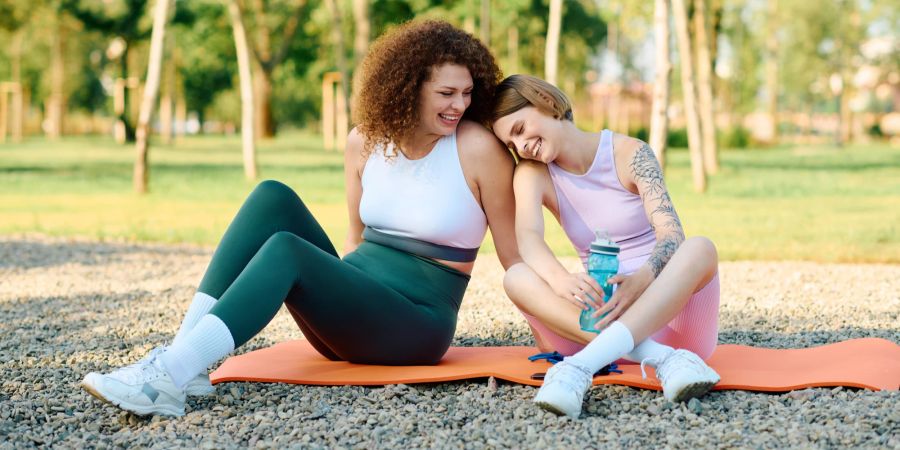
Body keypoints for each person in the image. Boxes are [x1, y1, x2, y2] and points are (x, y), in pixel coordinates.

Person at [81, 20, 519, 417]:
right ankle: (184, 362)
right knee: (272, 197)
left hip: (415, 326)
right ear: (409, 87)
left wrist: (556, 331)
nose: (459, 105)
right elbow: (355, 238)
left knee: (288, 250)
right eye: (446, 93)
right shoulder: (364, 142)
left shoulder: (477, 148)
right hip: (352, 315)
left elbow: (515, 258)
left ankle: (168, 376)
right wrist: (339, 301)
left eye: (467, 92)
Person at [490, 74, 720, 419]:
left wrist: (643, 279)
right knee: (516, 276)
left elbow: (672, 234)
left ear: (545, 101)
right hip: (595, 322)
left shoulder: (631, 154)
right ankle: (662, 359)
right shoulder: (532, 173)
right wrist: (561, 281)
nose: (521, 146)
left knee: (700, 247)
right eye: (512, 142)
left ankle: (578, 369)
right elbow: (528, 238)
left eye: (520, 128)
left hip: (671, 317)